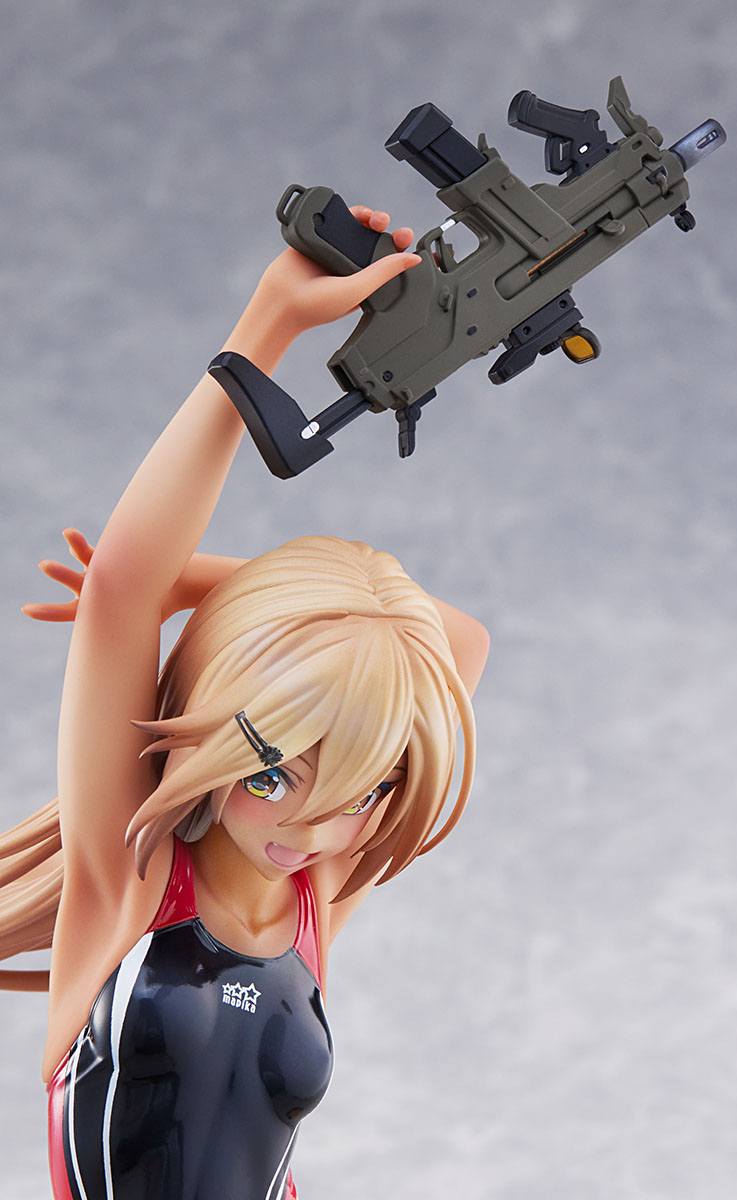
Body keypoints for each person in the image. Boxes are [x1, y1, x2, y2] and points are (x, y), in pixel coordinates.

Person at [1, 205, 490, 1200]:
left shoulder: (319, 890)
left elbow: (457, 645)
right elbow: (124, 581)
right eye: (273, 774)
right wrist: (270, 320)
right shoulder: (133, 881)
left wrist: (218, 592)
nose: (310, 827)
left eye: (358, 793)